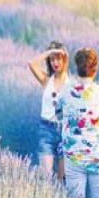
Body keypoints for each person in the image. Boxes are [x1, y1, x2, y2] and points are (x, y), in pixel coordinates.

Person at [56, 47, 99, 198]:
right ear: (95, 68)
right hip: (98, 156)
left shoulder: (66, 91)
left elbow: (58, 115)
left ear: (77, 67)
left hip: (74, 155)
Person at [28, 41, 69, 180]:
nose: (55, 62)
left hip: (65, 131)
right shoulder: (46, 80)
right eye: (52, 59)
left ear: (64, 59)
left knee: (62, 179)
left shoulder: (72, 84)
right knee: (46, 176)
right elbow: (32, 63)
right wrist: (50, 52)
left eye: (58, 58)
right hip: (46, 130)